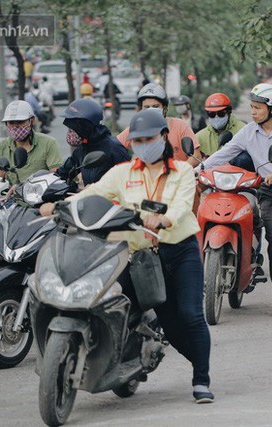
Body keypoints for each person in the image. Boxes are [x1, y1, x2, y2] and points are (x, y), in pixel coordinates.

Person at [40, 108, 214, 403]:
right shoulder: (122, 173)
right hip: (141, 256)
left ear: (163, 137)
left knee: (190, 316)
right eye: (138, 140)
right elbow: (93, 192)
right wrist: (57, 206)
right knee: (165, 322)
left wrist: (164, 219)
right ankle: (125, 359)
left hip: (179, 251)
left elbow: (183, 204)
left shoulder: (182, 171)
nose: (144, 144)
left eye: (150, 138)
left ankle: (201, 378)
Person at [199, 83, 272, 313]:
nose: (253, 112)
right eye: (251, 107)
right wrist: (200, 168)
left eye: (258, 107)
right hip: (268, 194)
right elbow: (226, 152)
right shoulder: (249, 132)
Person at [0, 100, 63, 184]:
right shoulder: (1, 147)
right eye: (11, 122)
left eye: (20, 122)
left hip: (41, 200)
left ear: (31, 121)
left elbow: (55, 174)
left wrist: (26, 185)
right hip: (13, 201)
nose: (15, 126)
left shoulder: (48, 143)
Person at [117, 83, 202, 166]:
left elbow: (196, 156)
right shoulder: (136, 129)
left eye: (155, 106)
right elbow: (114, 146)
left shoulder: (181, 126)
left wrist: (179, 174)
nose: (151, 110)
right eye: (146, 107)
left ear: (164, 108)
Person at [56, 98, 130, 185]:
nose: (70, 133)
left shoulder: (114, 149)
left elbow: (129, 181)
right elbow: (62, 173)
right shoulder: (81, 150)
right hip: (88, 196)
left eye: (73, 128)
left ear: (86, 126)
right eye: (69, 128)